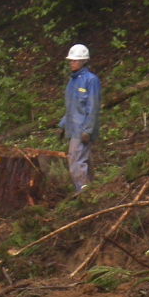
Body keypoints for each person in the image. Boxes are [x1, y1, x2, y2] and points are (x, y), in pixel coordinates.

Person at [59, 43, 101, 192]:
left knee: (75, 161)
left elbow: (93, 107)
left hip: (82, 129)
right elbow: (72, 106)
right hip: (73, 127)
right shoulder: (73, 81)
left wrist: (87, 130)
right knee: (85, 160)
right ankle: (93, 190)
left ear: (84, 61)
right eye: (71, 60)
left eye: (75, 60)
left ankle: (83, 192)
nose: (72, 63)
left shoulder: (91, 80)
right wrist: (63, 125)